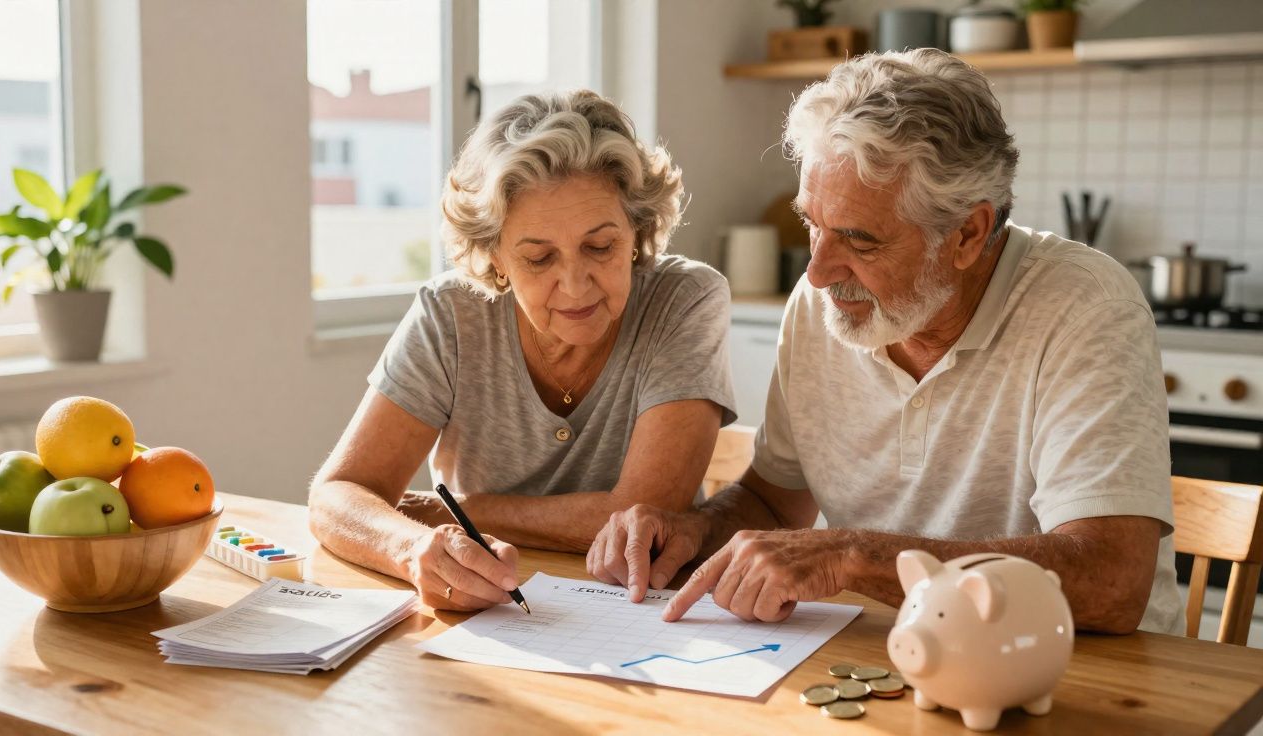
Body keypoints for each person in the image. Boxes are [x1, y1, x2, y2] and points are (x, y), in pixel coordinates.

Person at [587, 49, 1182, 635]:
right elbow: (775, 503)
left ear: (968, 234)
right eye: (812, 224)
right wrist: (695, 528)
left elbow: (1111, 581)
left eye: (859, 240)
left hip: (1074, 666)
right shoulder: (821, 304)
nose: (818, 271)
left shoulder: (1086, 309)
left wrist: (852, 556)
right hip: (892, 653)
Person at [310, 90, 736, 612]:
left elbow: (636, 520)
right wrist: (411, 547)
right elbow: (337, 495)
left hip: (646, 609)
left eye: (600, 247)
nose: (575, 285)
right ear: (495, 256)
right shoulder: (451, 314)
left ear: (638, 230)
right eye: (538, 258)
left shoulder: (685, 300)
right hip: (488, 612)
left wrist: (455, 511)